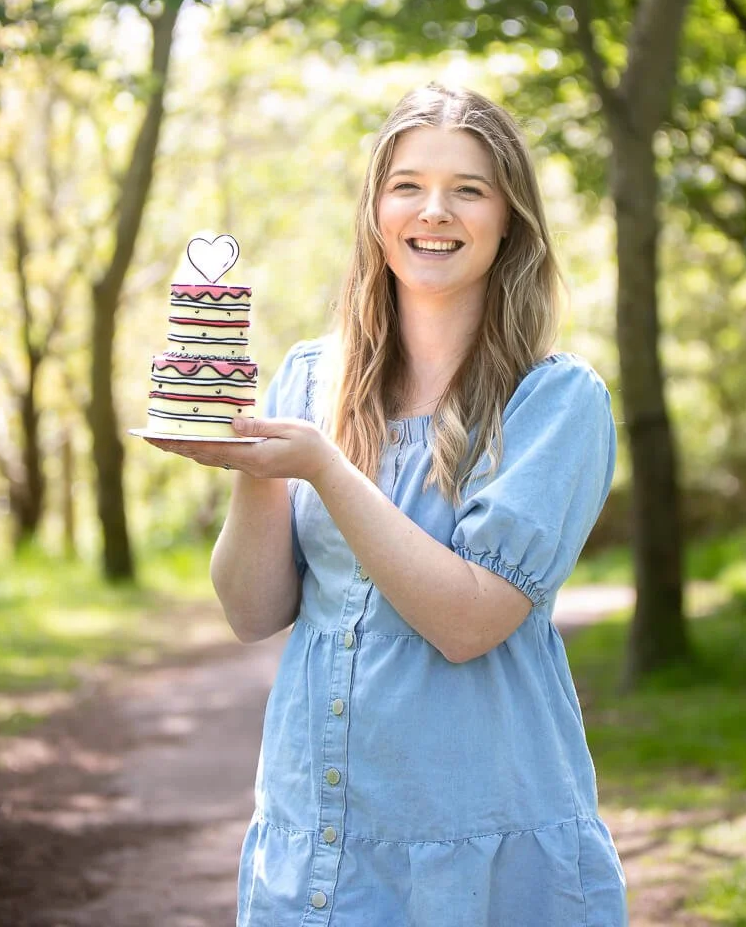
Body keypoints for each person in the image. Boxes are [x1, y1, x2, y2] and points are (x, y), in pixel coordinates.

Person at [149, 83, 628, 926]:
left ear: (510, 216)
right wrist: (255, 467)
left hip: (475, 846)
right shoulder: (308, 378)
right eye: (407, 184)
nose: (433, 211)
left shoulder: (555, 403)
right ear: (377, 208)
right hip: (321, 845)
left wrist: (326, 468)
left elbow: (468, 622)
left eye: (468, 189)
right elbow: (253, 610)